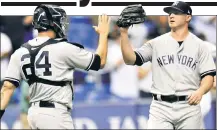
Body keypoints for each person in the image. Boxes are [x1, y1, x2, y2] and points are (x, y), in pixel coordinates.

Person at [0, 4, 110, 129]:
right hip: (55, 114)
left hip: (33, 114)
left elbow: (7, 88)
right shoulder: (63, 48)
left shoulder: (20, 52)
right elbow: (100, 62)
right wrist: (103, 34)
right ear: (53, 23)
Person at [118, 1, 216, 129]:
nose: (171, 16)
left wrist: (201, 90)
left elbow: (209, 76)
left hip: (190, 106)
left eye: (177, 13)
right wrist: (124, 34)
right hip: (161, 107)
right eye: (170, 13)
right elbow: (131, 59)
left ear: (188, 17)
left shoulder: (201, 46)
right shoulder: (156, 43)